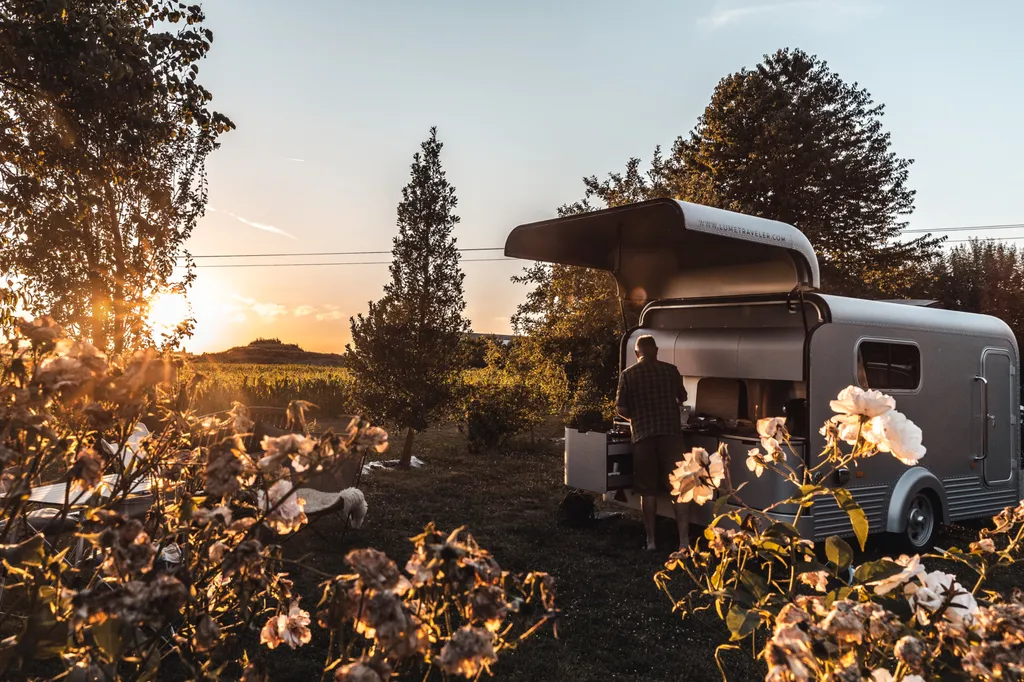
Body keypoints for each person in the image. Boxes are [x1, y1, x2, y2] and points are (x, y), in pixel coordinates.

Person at [615, 335, 689, 551]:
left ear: (637, 354)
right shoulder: (671, 370)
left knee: (648, 491)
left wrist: (637, 418)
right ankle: (684, 542)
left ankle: (651, 542)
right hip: (672, 435)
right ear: (656, 350)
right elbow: (681, 398)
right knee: (680, 488)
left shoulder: (628, 374)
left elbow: (622, 408)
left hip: (643, 437)